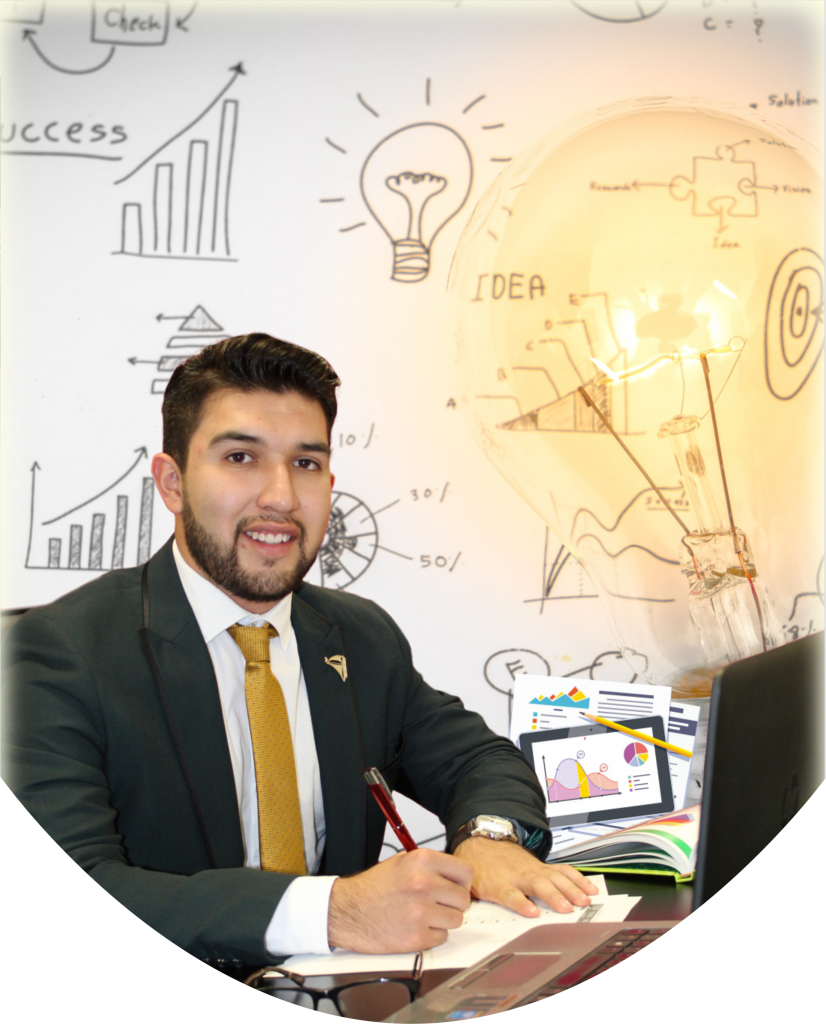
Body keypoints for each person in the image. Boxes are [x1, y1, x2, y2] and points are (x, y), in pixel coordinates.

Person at [2, 334, 596, 965]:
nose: (282, 497)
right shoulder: (57, 654)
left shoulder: (359, 637)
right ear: (172, 483)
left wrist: (489, 837)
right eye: (240, 457)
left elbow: (477, 759)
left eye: (306, 464)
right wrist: (333, 912)